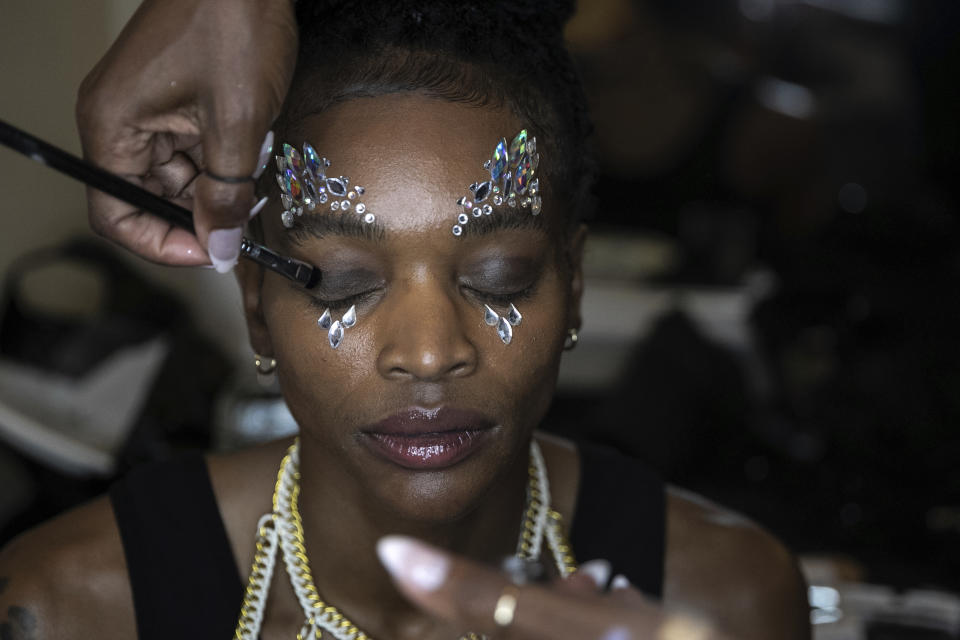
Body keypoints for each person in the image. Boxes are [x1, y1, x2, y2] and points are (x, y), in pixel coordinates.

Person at [0, 1, 810, 639]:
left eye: (502, 278)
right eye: (342, 283)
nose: (429, 354)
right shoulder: (72, 609)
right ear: (256, 310)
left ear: (574, 283)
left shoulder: (728, 598)